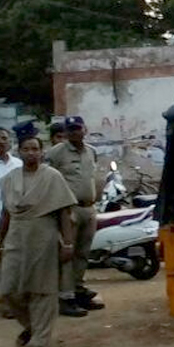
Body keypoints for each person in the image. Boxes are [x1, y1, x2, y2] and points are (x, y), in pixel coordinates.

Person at [0, 133, 76, 347]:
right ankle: (30, 326)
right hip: (16, 237)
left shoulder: (53, 177)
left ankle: (40, 341)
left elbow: (64, 214)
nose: (31, 153)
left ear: (42, 152)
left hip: (43, 237)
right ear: (19, 152)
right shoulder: (11, 179)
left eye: (35, 149)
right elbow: (5, 214)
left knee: (42, 289)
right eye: (26, 149)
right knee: (9, 290)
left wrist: (67, 243)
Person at [44, 117, 101, 317]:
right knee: (67, 253)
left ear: (85, 129)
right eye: (70, 130)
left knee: (83, 253)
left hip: (89, 208)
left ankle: (78, 290)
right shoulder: (56, 153)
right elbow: (46, 180)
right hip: (69, 209)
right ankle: (65, 297)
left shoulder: (91, 152)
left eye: (77, 128)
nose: (74, 133)